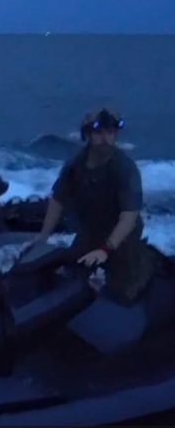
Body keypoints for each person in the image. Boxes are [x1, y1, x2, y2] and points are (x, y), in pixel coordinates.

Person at [17, 108, 154, 304]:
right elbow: (57, 199)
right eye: (99, 133)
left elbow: (129, 216)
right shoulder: (76, 165)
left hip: (122, 239)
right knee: (68, 276)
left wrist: (106, 249)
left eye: (110, 132)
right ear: (88, 135)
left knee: (124, 294)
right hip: (90, 233)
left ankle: (145, 262)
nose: (105, 138)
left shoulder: (124, 168)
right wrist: (43, 236)